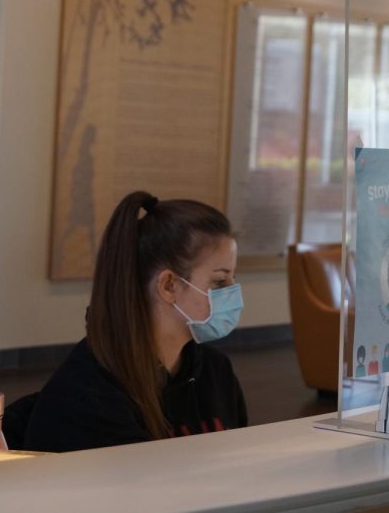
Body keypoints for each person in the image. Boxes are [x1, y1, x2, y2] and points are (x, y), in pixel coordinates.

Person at [23, 191, 248, 453]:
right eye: (220, 280)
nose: (234, 291)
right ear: (169, 285)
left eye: (233, 278)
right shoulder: (89, 391)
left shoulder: (215, 370)